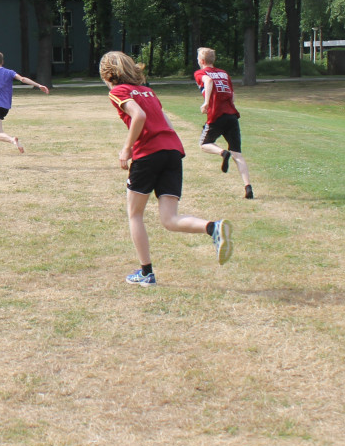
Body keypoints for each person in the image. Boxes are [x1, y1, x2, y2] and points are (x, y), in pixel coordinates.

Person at [100, 50, 232, 286]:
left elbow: (138, 116)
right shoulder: (149, 91)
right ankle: (213, 228)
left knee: (135, 214)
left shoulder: (119, 91)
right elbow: (165, 120)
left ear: (109, 74)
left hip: (148, 154)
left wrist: (126, 149)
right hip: (172, 151)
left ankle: (146, 273)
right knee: (170, 219)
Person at [194, 48, 254, 199]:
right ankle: (248, 187)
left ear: (201, 61)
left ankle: (222, 153)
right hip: (232, 115)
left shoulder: (200, 73)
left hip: (216, 115)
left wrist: (206, 102)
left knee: (204, 143)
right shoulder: (224, 73)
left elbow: (208, 81)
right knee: (238, 154)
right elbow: (232, 95)